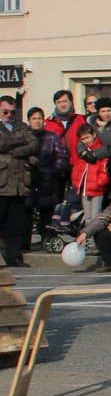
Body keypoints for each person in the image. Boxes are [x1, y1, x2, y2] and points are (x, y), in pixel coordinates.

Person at [0, 97, 38, 268]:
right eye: (5, 112)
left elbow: (34, 144)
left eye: (12, 112)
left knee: (16, 223)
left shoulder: (22, 126)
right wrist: (20, 143)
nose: (9, 115)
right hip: (2, 182)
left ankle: (13, 257)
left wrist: (13, 151)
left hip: (20, 183)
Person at [24, 107, 67, 250]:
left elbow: (61, 158)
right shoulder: (23, 137)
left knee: (46, 215)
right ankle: (24, 244)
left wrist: (52, 172)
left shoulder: (52, 137)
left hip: (47, 181)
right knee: (25, 214)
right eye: (34, 118)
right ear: (29, 120)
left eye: (40, 118)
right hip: (27, 181)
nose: (37, 121)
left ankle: (46, 242)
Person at [43, 90, 86, 205]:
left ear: (71, 102)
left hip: (77, 165)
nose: (62, 104)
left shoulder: (80, 120)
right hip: (58, 167)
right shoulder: (48, 123)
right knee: (57, 197)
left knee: (77, 198)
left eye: (65, 101)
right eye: (59, 102)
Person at [72, 125, 109, 224]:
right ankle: (88, 237)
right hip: (85, 188)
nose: (85, 141)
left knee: (95, 215)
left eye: (87, 137)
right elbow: (77, 168)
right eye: (83, 139)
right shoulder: (83, 152)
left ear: (94, 135)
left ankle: (95, 237)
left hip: (97, 189)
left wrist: (99, 183)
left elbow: (104, 169)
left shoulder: (100, 149)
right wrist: (76, 183)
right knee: (87, 216)